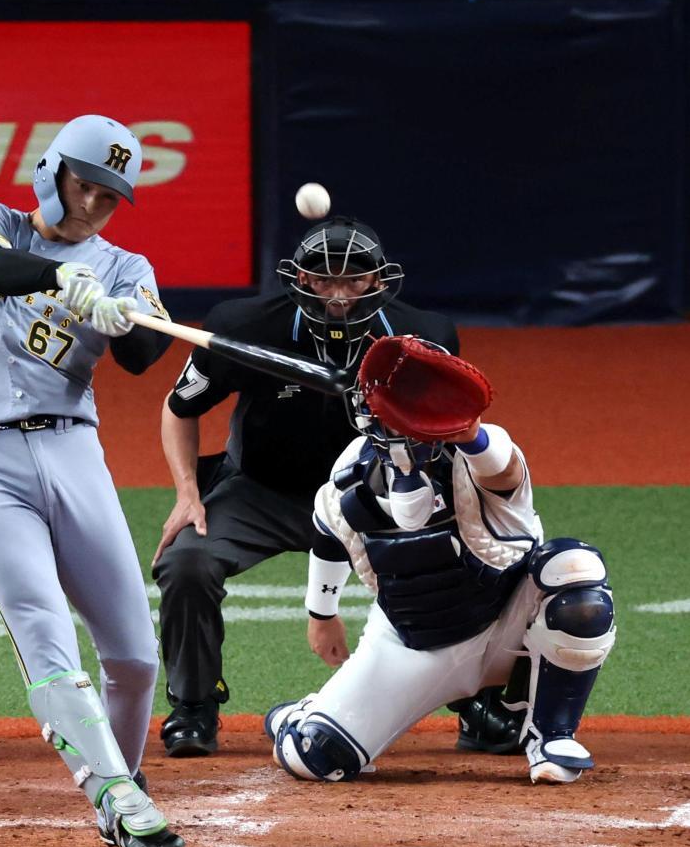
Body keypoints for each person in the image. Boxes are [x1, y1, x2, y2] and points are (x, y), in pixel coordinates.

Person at [153, 214, 520, 758]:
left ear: (378, 280)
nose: (339, 295)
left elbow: (442, 429)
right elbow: (179, 408)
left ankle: (474, 702)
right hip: (263, 489)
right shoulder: (243, 326)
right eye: (323, 279)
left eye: (354, 280)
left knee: (455, 565)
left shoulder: (422, 336)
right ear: (299, 278)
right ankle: (194, 703)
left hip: (375, 494)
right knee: (186, 562)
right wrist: (188, 493)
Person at [0, 114, 183, 847]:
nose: (94, 205)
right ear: (51, 172)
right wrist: (57, 277)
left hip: (73, 452)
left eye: (110, 195)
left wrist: (135, 317)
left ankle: (122, 784)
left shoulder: (124, 266)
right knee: (45, 632)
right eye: (85, 185)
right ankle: (114, 790)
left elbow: (141, 357)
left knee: (136, 659)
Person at [264, 336, 616, 786]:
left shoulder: (481, 453)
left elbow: (503, 466)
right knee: (312, 755)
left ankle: (549, 735)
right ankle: (302, 715)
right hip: (414, 643)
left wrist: (465, 430)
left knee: (573, 571)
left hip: (508, 618)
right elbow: (330, 535)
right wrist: (322, 614)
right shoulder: (349, 475)